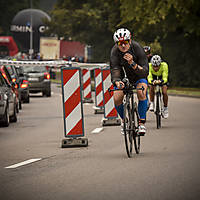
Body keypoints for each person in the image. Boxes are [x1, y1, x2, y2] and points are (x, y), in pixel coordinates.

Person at [110, 28, 149, 136]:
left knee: (141, 92)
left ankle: (141, 123)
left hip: (138, 76)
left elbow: (145, 72)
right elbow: (115, 69)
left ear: (130, 41)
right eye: (120, 43)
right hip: (123, 78)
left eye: (125, 42)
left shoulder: (137, 48)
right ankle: (125, 121)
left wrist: (132, 63)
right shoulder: (114, 51)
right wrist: (117, 81)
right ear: (116, 43)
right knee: (117, 98)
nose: (123, 46)